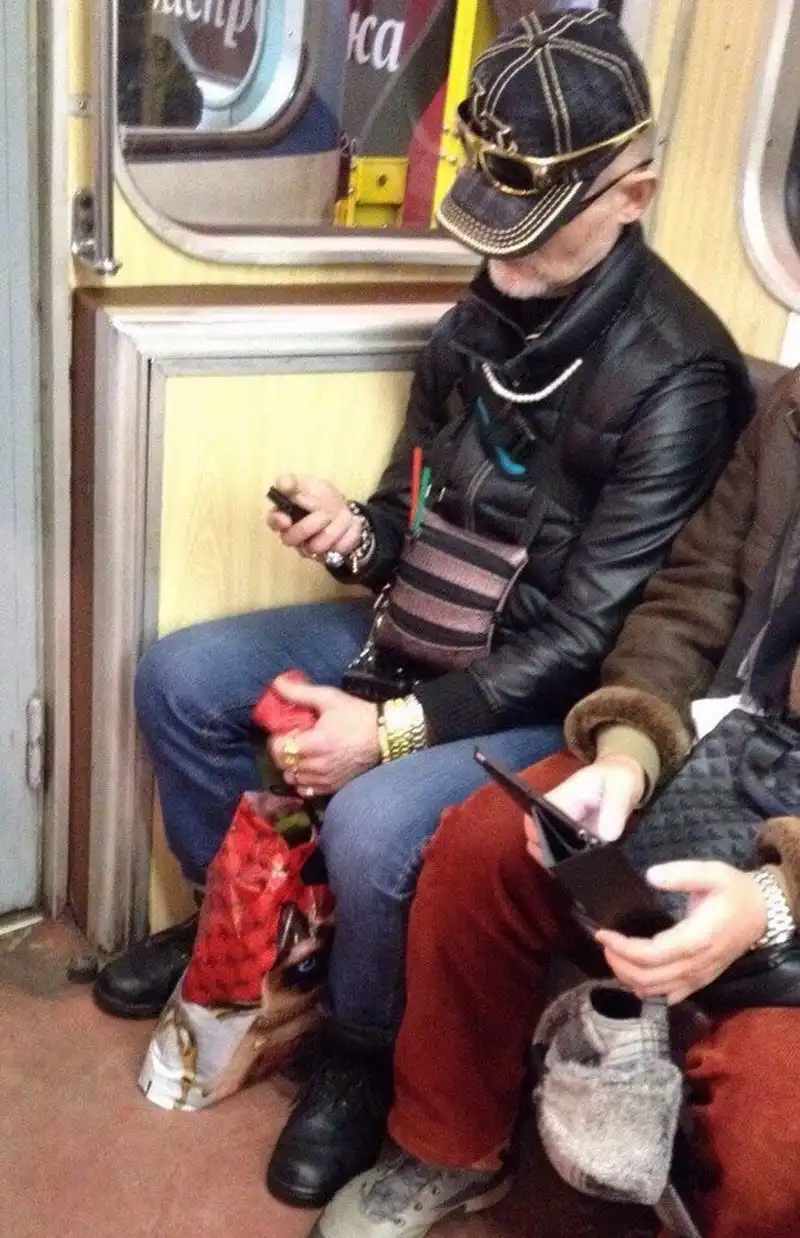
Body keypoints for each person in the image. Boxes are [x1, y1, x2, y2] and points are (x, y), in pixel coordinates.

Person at [95, 6, 750, 1210]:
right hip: (416, 627)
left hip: (539, 689)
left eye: (528, 228)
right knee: (179, 675)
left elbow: (586, 642)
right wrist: (353, 533)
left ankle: (356, 1042)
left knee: (373, 820)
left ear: (631, 195)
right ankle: (244, 932)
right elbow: (415, 513)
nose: (497, 259)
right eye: (486, 224)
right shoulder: (485, 308)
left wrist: (388, 731)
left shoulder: (680, 376)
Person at [311, 361, 800, 1238]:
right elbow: (693, 597)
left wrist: (772, 902)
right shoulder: (792, 409)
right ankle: (449, 1145)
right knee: (488, 843)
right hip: (730, 748)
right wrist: (629, 751)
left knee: (776, 1146)